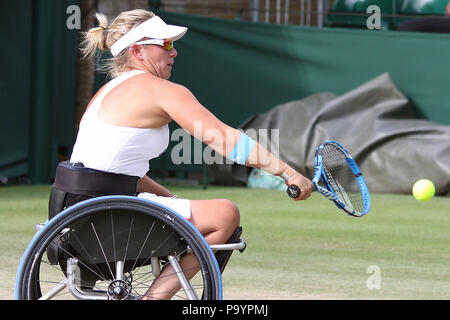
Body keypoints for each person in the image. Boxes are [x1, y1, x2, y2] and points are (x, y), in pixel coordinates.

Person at [63, 8, 312, 300]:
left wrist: (171, 200)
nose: (174, 52)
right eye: (165, 44)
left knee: (198, 210)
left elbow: (116, 171)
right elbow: (225, 139)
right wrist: (288, 172)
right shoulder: (160, 90)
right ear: (137, 51)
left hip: (75, 213)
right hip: (109, 217)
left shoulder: (105, 93)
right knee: (225, 214)